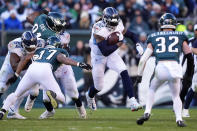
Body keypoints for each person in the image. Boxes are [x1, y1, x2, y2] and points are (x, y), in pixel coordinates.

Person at [0, 36, 92, 120]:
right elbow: (63, 59)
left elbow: (25, 59)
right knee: (62, 98)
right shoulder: (59, 51)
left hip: (32, 69)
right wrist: (79, 64)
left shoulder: (39, 50)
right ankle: (52, 94)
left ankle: (2, 111)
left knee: (16, 94)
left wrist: (16, 75)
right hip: (46, 70)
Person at [135, 13, 193, 127]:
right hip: (176, 67)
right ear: (174, 24)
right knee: (176, 95)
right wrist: (189, 74)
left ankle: (147, 112)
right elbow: (189, 56)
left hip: (161, 66)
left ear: (162, 24)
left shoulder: (153, 36)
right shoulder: (181, 35)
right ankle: (179, 119)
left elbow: (143, 59)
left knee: (152, 88)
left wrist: (139, 76)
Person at [86, 7, 144, 111]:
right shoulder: (98, 28)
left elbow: (131, 34)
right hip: (98, 56)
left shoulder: (119, 23)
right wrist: (119, 44)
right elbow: (104, 51)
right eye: (111, 23)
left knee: (124, 71)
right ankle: (90, 96)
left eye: (115, 23)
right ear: (104, 19)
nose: (113, 26)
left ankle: (133, 101)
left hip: (111, 54)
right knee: (99, 87)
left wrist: (138, 44)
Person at [0, 31, 45, 119]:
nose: (32, 50)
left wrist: (29, 59)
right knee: (1, 87)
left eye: (33, 48)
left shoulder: (41, 42)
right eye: (29, 49)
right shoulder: (14, 45)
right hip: (11, 66)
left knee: (34, 92)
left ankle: (13, 111)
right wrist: (27, 59)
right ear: (23, 44)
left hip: (28, 67)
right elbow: (14, 67)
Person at [182, 24, 197, 117]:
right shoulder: (193, 41)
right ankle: (185, 109)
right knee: (194, 87)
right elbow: (195, 50)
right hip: (193, 67)